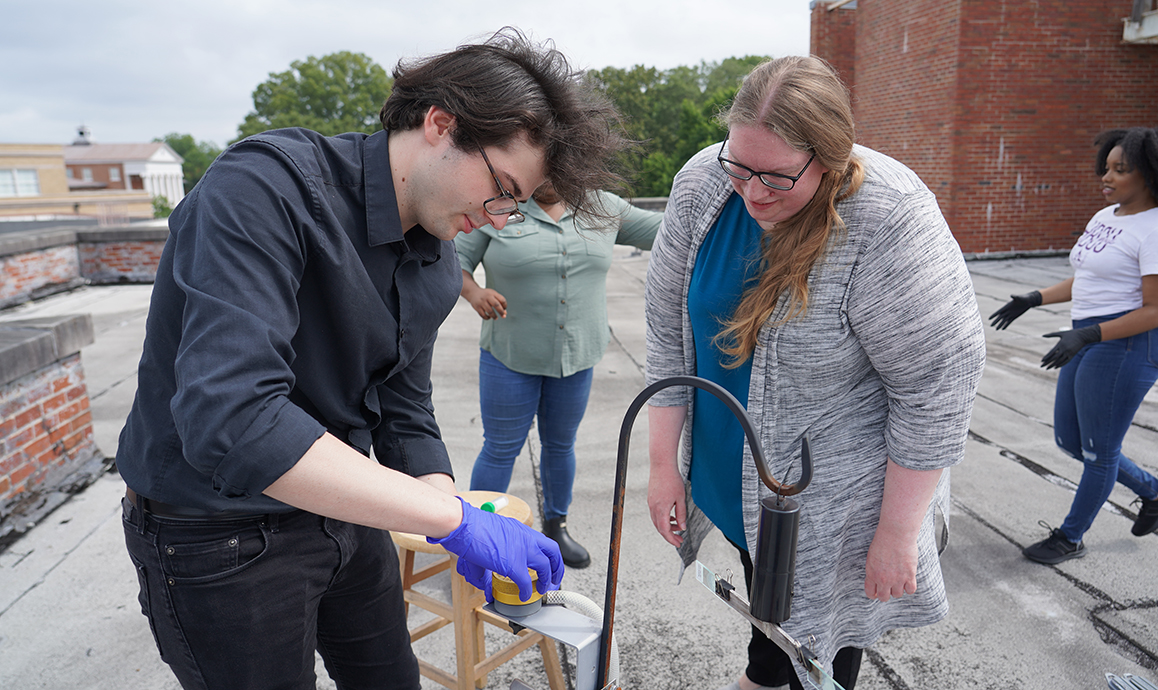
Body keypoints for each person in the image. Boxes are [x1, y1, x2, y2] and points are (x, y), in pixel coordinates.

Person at [115, 29, 630, 690]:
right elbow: (234, 420)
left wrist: (448, 512)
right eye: (503, 188)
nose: (503, 221)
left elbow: (402, 407)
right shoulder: (267, 189)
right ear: (441, 124)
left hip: (346, 510)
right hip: (219, 536)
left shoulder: (439, 256)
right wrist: (452, 518)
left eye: (519, 205)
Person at [643, 56, 985, 690]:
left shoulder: (889, 218)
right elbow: (668, 334)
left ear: (830, 157)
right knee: (769, 631)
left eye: (776, 176)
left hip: (833, 506)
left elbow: (937, 386)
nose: (751, 192)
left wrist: (896, 533)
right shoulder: (702, 184)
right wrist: (664, 465)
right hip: (734, 473)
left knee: (815, 656)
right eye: (739, 166)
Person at [989, 123, 1158, 565]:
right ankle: (1155, 491)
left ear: (1151, 174)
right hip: (1089, 339)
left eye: (1121, 170)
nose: (1106, 177)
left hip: (1130, 347)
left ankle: (1070, 537)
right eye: (1106, 167)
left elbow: (1155, 309)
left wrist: (1088, 334)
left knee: (1098, 452)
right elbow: (1089, 278)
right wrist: (1033, 299)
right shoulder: (1104, 217)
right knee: (1071, 440)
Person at [456, 184, 660, 568]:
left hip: (576, 356)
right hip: (510, 355)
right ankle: (478, 538)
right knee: (500, 448)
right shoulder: (501, 207)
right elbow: (455, 262)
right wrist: (474, 293)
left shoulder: (602, 205)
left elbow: (668, 228)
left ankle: (556, 527)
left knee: (561, 445)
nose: (547, 178)